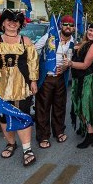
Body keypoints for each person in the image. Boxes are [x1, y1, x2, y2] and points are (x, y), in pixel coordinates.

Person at [0, 9, 38, 167]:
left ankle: (27, 149)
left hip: (22, 82)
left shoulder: (26, 41)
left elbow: (33, 63)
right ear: (2, 23)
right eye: (9, 20)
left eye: (16, 21)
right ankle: (11, 143)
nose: (13, 23)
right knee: (3, 116)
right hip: (1, 82)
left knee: (22, 114)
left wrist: (33, 81)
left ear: (20, 25)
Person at [35, 15, 75, 149]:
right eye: (65, 24)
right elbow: (34, 49)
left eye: (71, 25)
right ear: (60, 26)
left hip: (61, 78)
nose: (68, 27)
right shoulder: (50, 36)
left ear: (74, 28)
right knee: (43, 108)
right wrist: (41, 65)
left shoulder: (72, 42)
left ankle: (59, 131)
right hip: (46, 77)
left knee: (60, 106)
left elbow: (70, 60)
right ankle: (43, 136)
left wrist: (66, 66)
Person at [66, 23, 93, 148]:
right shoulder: (82, 43)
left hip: (88, 80)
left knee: (85, 107)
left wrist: (70, 63)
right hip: (77, 79)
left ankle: (91, 135)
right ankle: (85, 128)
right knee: (78, 105)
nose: (92, 33)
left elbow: (85, 65)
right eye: (91, 30)